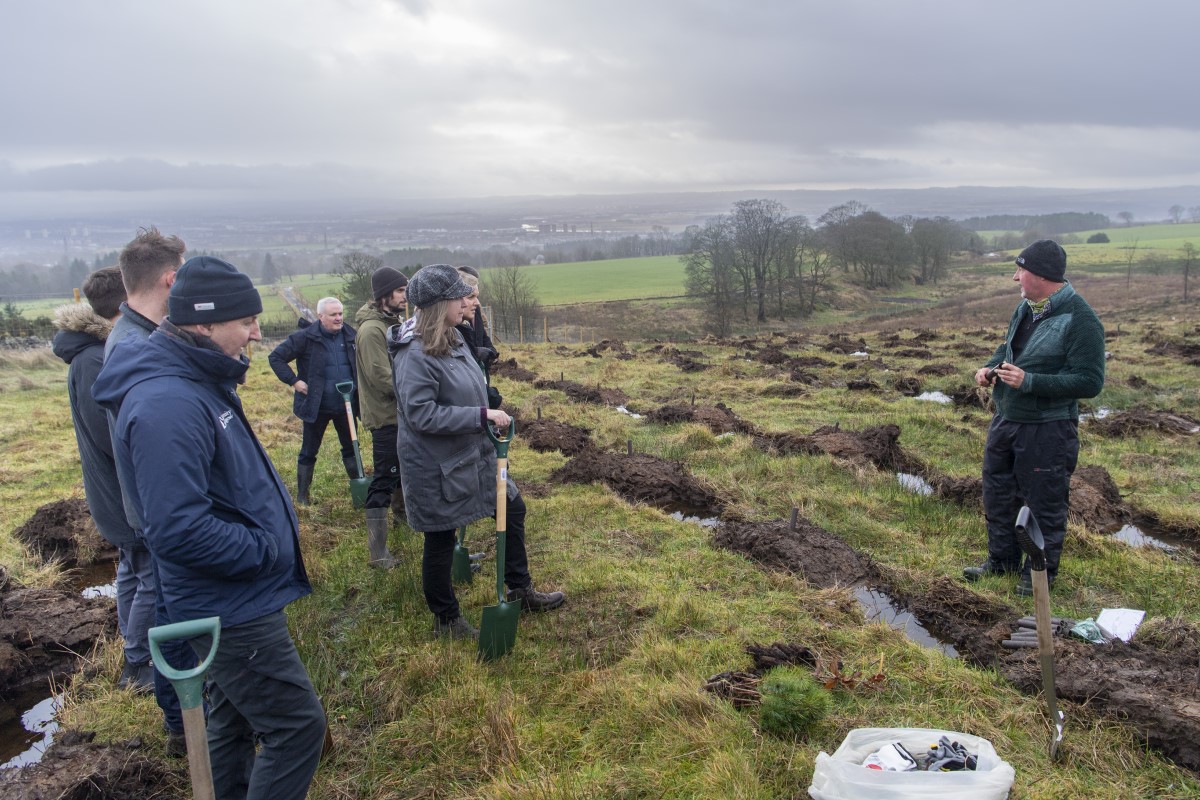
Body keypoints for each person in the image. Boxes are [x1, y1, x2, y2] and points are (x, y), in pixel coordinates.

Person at [94, 255, 326, 800]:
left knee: (228, 724)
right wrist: (264, 550)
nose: (255, 333)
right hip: (227, 601)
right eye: (245, 321)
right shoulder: (167, 402)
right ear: (203, 322)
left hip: (230, 595)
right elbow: (176, 528)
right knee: (297, 728)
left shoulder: (194, 380)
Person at [390, 264, 565, 640]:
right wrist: (481, 414)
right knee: (440, 537)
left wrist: (486, 409)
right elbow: (421, 414)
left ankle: (520, 589)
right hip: (437, 464)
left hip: (474, 453)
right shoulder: (414, 353)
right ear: (440, 304)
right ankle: (446, 620)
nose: (469, 301)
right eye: (460, 296)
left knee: (512, 508)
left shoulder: (454, 337)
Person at [963, 240, 1105, 596]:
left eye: (1020, 271)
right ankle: (1002, 562)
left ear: (1040, 276)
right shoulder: (1026, 307)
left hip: (1048, 429)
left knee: (1044, 502)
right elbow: (1009, 347)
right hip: (1006, 419)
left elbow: (1090, 382)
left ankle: (1038, 574)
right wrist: (990, 367)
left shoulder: (1082, 319)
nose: (1015, 278)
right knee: (998, 494)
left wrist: (1031, 382)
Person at [103, 227, 192, 754]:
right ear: (170, 278)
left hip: (150, 507)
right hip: (158, 511)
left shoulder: (131, 334)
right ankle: (179, 720)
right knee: (169, 612)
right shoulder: (135, 347)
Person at [52, 268, 157, 693]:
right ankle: (139, 663)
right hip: (119, 492)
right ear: (124, 302)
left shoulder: (91, 354)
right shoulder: (95, 360)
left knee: (133, 569)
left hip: (111, 489)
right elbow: (113, 436)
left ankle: (134, 655)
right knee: (149, 573)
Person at [268, 297, 360, 505]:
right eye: (333, 315)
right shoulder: (305, 338)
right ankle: (303, 497)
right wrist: (294, 381)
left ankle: (359, 489)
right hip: (316, 405)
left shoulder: (351, 336)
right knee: (309, 450)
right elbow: (276, 357)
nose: (338, 318)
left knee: (351, 448)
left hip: (346, 405)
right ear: (320, 317)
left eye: (340, 314)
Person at [353, 267, 407, 568]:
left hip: (396, 412)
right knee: (384, 479)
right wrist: (415, 390)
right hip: (385, 416)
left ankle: (403, 520)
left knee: (401, 470)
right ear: (385, 295)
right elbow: (380, 377)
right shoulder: (372, 330)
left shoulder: (390, 323)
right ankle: (378, 552)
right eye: (400, 291)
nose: (405, 296)